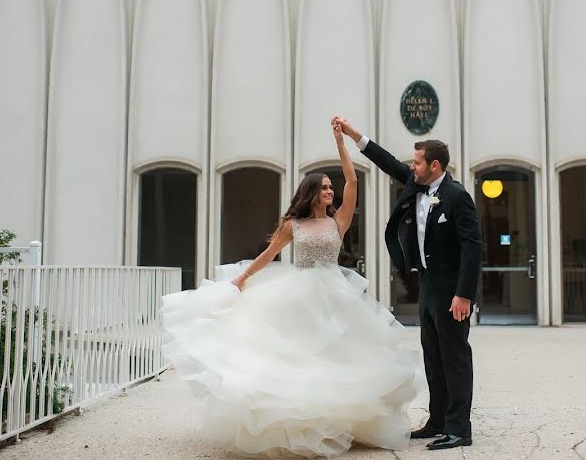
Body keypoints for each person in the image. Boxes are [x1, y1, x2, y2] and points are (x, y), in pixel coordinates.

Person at [161, 123, 423, 458]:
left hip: (334, 295)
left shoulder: (338, 221)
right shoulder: (293, 225)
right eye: (325, 187)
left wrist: (341, 141)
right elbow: (268, 255)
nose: (331, 191)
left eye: (331, 187)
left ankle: (336, 421)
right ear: (312, 191)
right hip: (299, 294)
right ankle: (300, 425)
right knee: (299, 356)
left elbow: (353, 181)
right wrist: (242, 280)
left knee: (336, 355)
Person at [332, 116, 481, 451]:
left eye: (417, 162)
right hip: (427, 285)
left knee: (455, 356)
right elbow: (385, 160)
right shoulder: (416, 185)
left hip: (451, 289)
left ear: (435, 165)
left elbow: (473, 249)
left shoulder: (458, 198)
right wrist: (354, 135)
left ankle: (460, 429)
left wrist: (464, 295)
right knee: (433, 356)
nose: (411, 167)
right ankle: (438, 421)